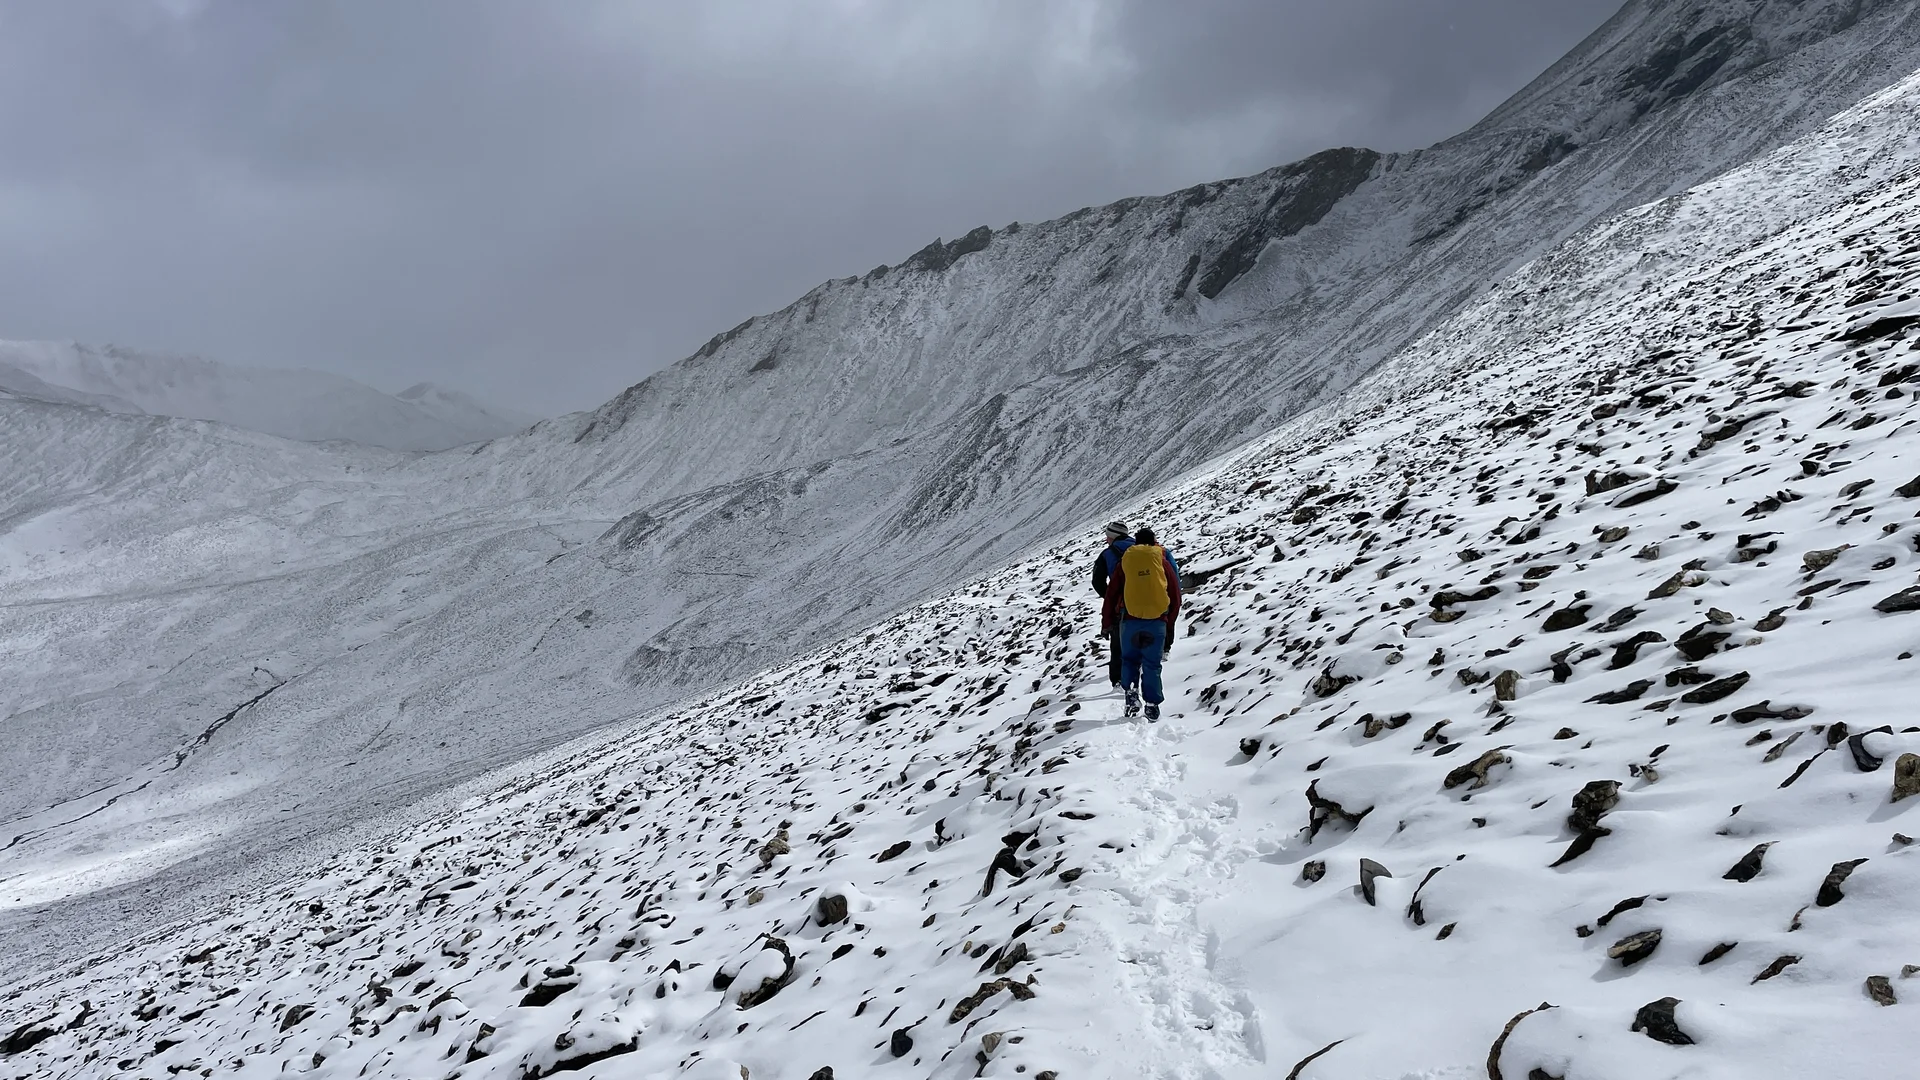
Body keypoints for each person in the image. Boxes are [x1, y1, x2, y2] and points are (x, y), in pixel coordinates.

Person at [1101, 527, 1181, 719]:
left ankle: (1131, 697)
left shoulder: (1126, 562)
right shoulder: (1161, 559)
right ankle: (1152, 705)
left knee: (1129, 661)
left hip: (1129, 621)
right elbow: (1175, 593)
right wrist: (1169, 622)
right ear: (1154, 541)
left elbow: (1111, 594)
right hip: (1157, 621)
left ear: (1136, 542)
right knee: (1152, 664)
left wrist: (1107, 622)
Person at [1090, 521, 1134, 687]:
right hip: (1149, 601)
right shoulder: (1144, 549)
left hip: (1121, 604)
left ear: (1113, 536)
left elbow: (1097, 581)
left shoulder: (1107, 554)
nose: (1106, 539)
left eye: (1108, 536)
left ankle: (1118, 679)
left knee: (1118, 643)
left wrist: (1110, 597)